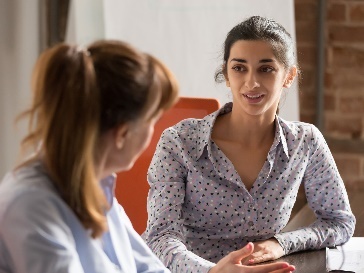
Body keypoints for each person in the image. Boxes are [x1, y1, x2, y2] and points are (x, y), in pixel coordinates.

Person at [0, 39, 295, 273]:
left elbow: (147, 267)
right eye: (152, 120)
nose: (157, 132)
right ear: (122, 133)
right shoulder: (30, 204)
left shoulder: (97, 190)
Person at [143, 15, 356, 273]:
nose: (251, 82)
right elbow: (160, 237)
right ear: (226, 73)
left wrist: (280, 243)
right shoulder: (179, 143)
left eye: (266, 69)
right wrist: (213, 272)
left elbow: (339, 222)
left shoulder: (305, 141)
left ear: (288, 76)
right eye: (239, 68)